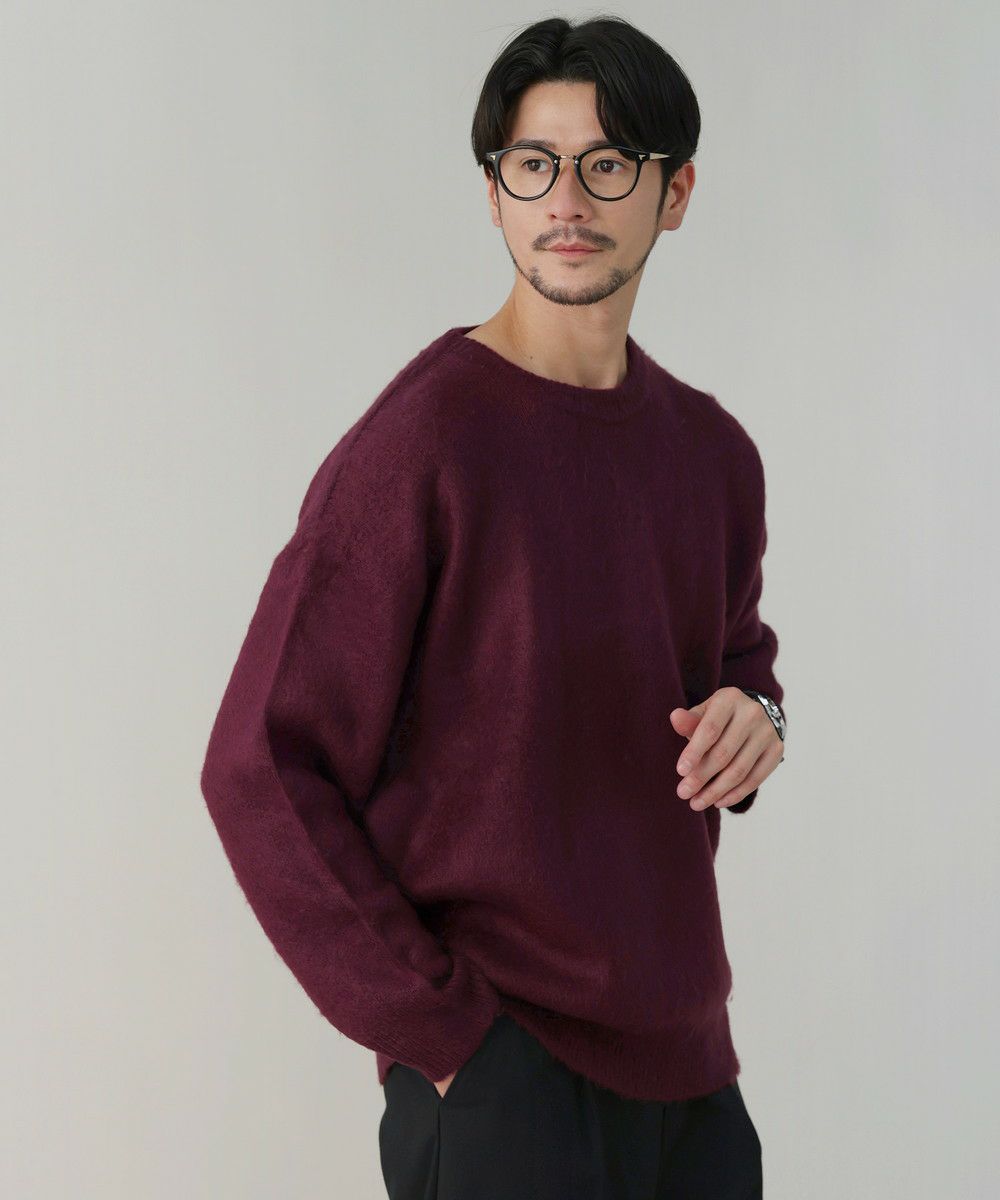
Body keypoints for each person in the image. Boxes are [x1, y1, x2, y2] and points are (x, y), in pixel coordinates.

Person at [199, 13, 787, 1199]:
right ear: (493, 194)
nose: (565, 199)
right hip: (505, 1078)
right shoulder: (424, 442)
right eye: (533, 163)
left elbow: (736, 663)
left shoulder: (712, 453)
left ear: (673, 194)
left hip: (691, 1076)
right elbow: (260, 762)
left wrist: (758, 716)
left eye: (607, 164)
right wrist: (442, 1033)